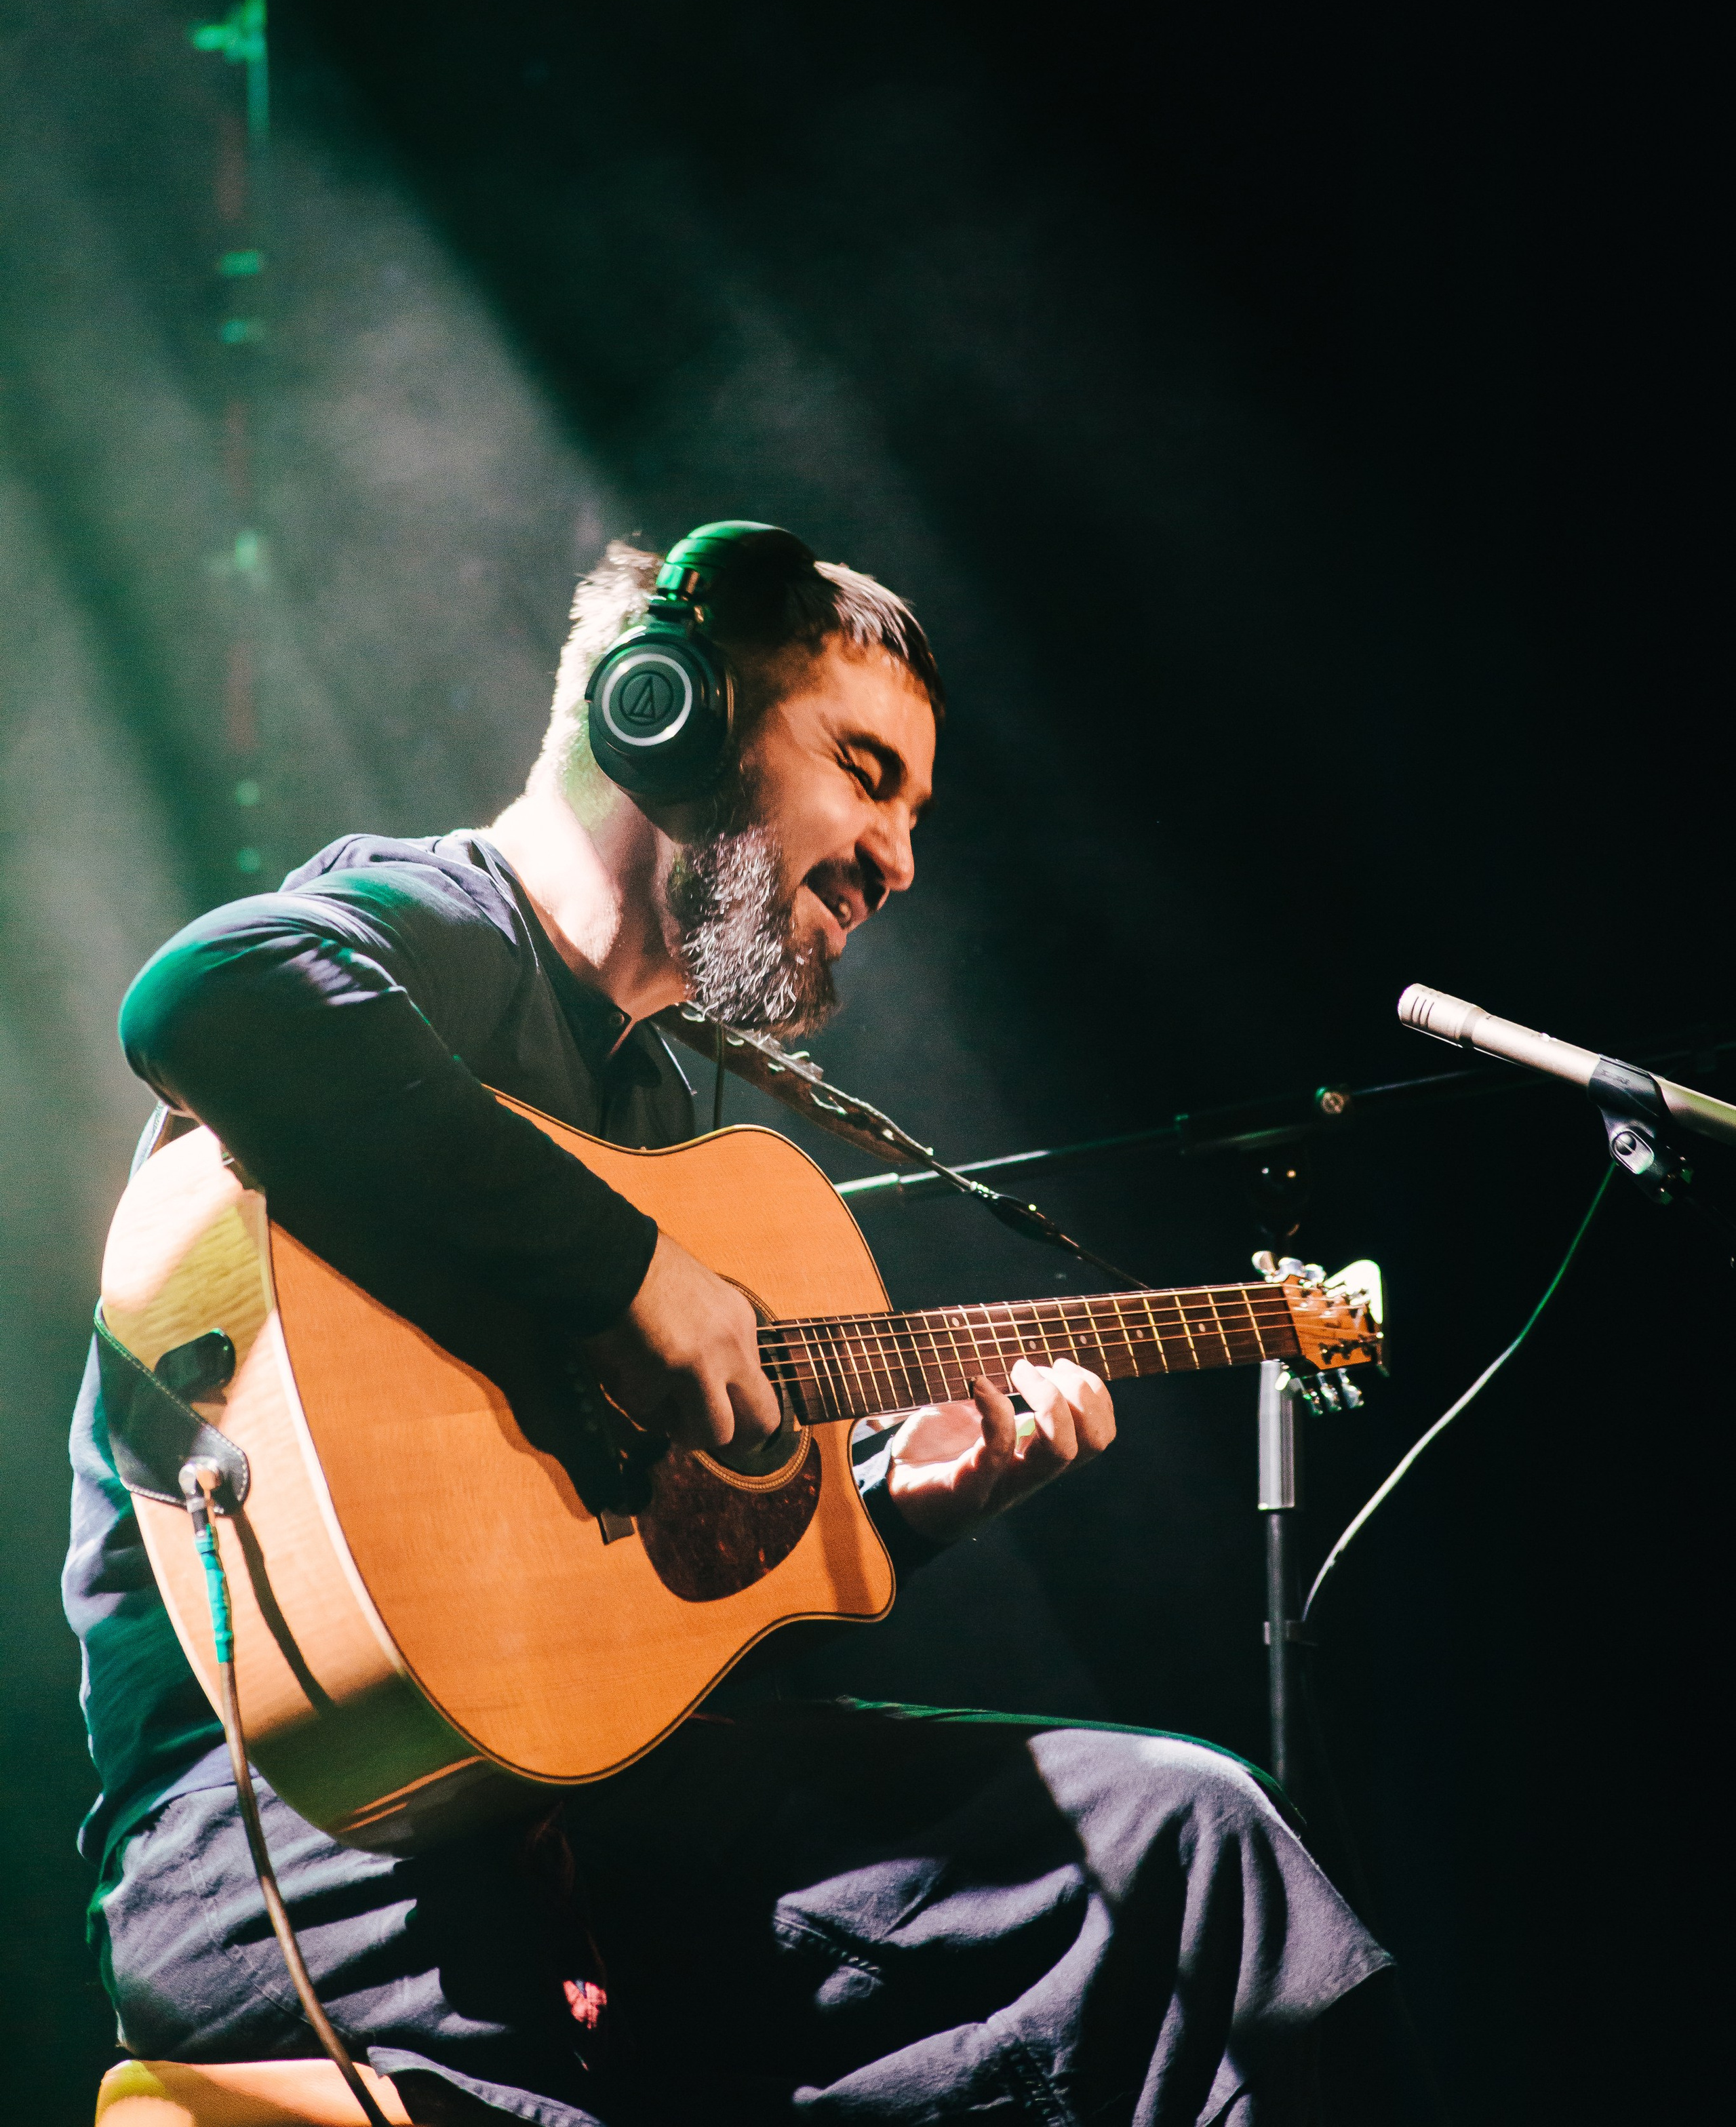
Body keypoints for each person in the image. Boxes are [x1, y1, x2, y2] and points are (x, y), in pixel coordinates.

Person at [65, 523, 1387, 2125]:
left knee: (1189, 1853)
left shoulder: (646, 1107)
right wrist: (630, 1274)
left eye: (911, 810)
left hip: (601, 1834)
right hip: (319, 1853)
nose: (897, 860)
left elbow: (594, 1600)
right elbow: (208, 998)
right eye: (861, 768)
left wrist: (890, 1514)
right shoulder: (433, 927)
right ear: (662, 717)